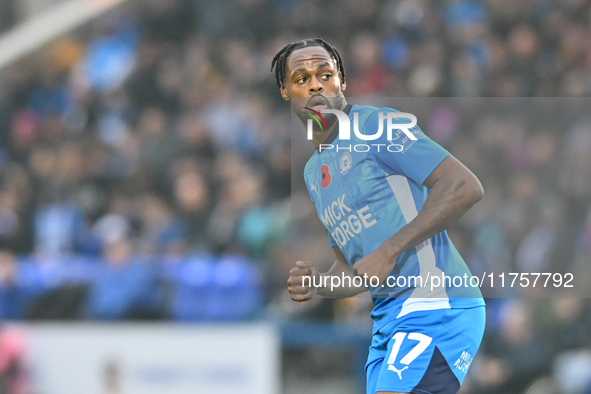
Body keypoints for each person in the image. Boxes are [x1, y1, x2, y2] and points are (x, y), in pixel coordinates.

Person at [272, 38, 486, 394]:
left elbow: (464, 186)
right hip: (388, 319)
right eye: (301, 77)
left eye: (325, 74)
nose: (315, 84)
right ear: (285, 90)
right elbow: (353, 270)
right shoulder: (313, 172)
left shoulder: (378, 126)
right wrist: (319, 285)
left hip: (437, 303)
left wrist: (390, 249)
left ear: (342, 80)